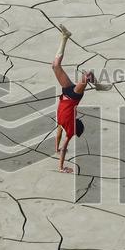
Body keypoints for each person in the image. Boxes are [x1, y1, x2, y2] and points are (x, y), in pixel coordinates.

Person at [51, 24, 109, 174]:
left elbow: (59, 136)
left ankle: (65, 37)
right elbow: (63, 143)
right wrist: (61, 166)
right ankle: (98, 86)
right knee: (87, 74)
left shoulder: (65, 126)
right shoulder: (68, 128)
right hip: (73, 96)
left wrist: (56, 149)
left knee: (55, 66)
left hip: (66, 92)